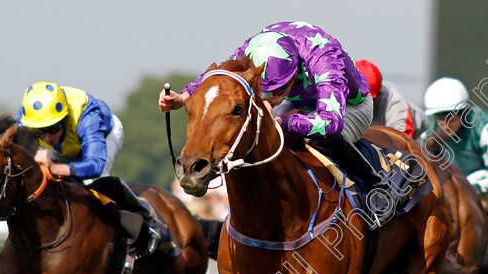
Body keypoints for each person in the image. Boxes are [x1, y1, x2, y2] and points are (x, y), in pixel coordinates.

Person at [159, 21, 378, 186]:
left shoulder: (324, 57)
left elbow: (331, 123)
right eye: (264, 93)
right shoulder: (256, 48)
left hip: (349, 107)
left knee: (317, 137)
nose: (268, 100)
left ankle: (375, 185)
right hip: (298, 103)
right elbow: (221, 79)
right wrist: (183, 97)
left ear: (293, 77)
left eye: (276, 93)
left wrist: (282, 122)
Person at [18, 81, 158, 256]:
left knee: (96, 183)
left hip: (105, 136)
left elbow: (95, 165)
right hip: (68, 144)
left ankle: (145, 221)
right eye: (41, 131)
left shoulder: (88, 118)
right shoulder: (28, 118)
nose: (47, 138)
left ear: (65, 119)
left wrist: (55, 168)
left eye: (53, 129)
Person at [421, 77, 488, 249]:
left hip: (478, 189)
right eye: (440, 118)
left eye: (451, 118)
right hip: (444, 191)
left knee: (484, 205)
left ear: (464, 113)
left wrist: (467, 190)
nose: (445, 125)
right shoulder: (429, 128)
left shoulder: (485, 125)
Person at [353, 59, 427, 140]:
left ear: (379, 93)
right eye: (358, 99)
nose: (363, 104)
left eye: (368, 99)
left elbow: (402, 143)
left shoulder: (396, 105)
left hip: (412, 139)